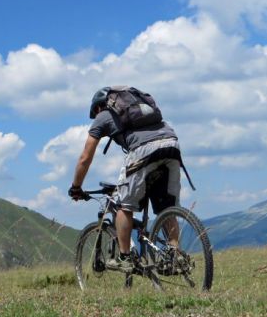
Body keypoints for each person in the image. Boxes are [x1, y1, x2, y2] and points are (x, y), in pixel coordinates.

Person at [68, 86, 182, 272]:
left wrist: (76, 187)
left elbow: (85, 157)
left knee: (124, 205)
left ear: (98, 107)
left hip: (143, 149)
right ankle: (175, 256)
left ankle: (124, 257)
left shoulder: (103, 115)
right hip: (172, 144)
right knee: (166, 208)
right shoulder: (141, 109)